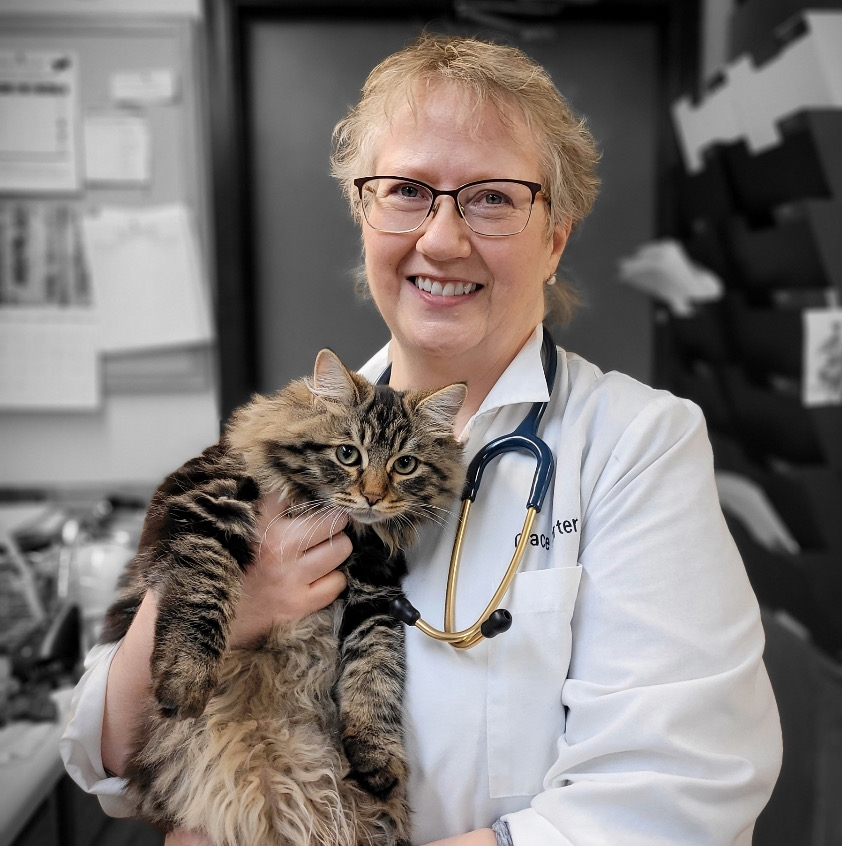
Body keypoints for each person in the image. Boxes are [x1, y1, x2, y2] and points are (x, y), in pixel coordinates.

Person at [61, 33, 782, 845]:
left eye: (493, 197)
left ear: (556, 236)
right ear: (363, 215)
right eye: (407, 190)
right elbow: (104, 755)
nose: (442, 239)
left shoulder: (637, 446)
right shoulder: (288, 439)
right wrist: (230, 607)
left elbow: (679, 793)